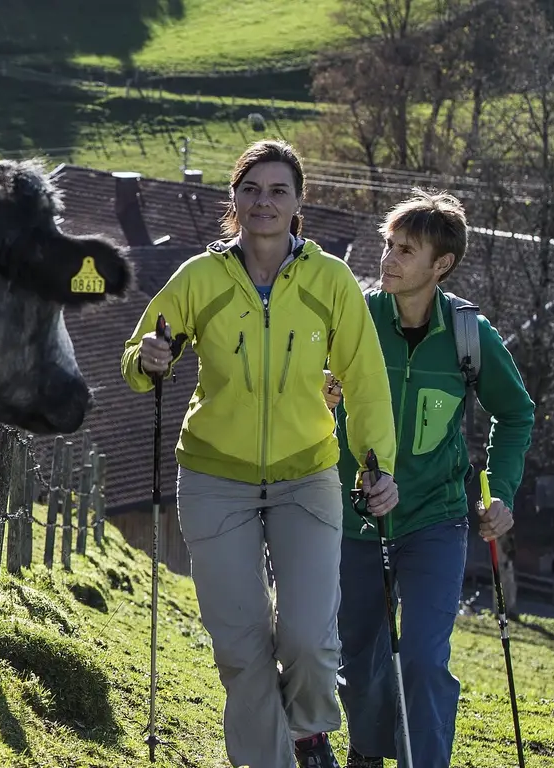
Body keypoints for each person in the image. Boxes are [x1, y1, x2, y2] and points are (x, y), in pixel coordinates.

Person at [121, 138, 400, 768]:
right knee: (243, 649)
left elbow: (366, 381)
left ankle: (306, 732)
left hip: (309, 476)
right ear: (234, 200)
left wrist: (376, 467)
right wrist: (150, 358)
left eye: (278, 190)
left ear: (299, 202)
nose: (263, 202)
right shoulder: (200, 278)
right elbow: (140, 357)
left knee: (305, 639)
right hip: (215, 478)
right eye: (251, 189)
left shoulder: (329, 282)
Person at [331, 190, 534, 768]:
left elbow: (516, 413)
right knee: (357, 659)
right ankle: (368, 754)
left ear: (440, 266)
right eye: (388, 245)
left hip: (434, 521)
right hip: (355, 521)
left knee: (421, 658)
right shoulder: (356, 319)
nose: (388, 260)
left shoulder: (470, 337)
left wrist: (501, 495)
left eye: (406, 250)